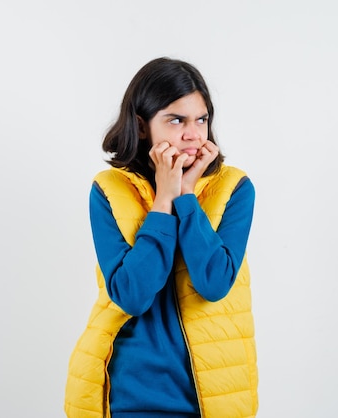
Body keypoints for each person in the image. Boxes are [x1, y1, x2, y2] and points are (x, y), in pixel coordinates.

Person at [64, 57, 259, 418]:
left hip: (211, 398)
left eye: (201, 119)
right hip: (127, 394)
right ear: (141, 127)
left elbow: (214, 283)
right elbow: (132, 296)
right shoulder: (109, 190)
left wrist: (186, 197)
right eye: (176, 120)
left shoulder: (234, 188)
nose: (193, 134)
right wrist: (163, 200)